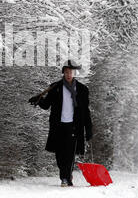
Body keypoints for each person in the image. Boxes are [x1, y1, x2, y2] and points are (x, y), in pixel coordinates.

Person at [28, 59, 93, 187]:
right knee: (59, 153)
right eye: (67, 72)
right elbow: (46, 105)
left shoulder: (82, 89)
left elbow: (85, 111)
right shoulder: (55, 87)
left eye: (71, 72)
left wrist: (88, 129)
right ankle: (66, 175)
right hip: (58, 125)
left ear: (75, 73)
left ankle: (65, 178)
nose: (69, 74)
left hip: (74, 126)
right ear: (63, 72)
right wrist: (38, 100)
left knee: (69, 153)